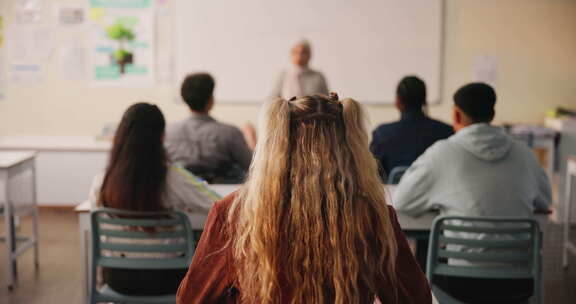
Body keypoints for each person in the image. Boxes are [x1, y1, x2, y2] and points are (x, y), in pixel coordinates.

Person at [177, 94, 432, 304]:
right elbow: (416, 299)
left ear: (274, 144)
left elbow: (192, 299)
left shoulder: (234, 212)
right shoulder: (374, 216)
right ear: (349, 147)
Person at [393, 83, 551, 303]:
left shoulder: (442, 152)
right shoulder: (524, 154)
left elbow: (402, 200)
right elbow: (545, 200)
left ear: (456, 114)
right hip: (517, 281)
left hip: (460, 283)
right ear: (493, 114)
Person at [88, 102, 221, 295]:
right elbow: (218, 205)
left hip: (119, 279)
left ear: (120, 137)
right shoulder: (174, 177)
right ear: (161, 137)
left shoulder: (101, 182)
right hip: (168, 280)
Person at [165, 73, 255, 183]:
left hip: (181, 192)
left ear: (184, 98)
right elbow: (253, 168)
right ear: (211, 100)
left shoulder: (168, 132)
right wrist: (251, 140)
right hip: (221, 194)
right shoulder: (230, 133)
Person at [370, 76, 453, 180]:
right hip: (434, 194)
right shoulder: (446, 131)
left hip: (394, 195)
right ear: (424, 102)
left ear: (398, 102)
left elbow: (373, 174)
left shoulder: (381, 133)